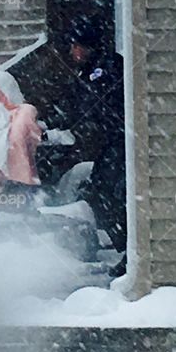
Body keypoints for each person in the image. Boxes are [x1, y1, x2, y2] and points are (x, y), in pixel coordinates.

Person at [57, 22, 127, 263]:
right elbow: (76, 107)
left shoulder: (107, 69)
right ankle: (123, 246)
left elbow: (93, 106)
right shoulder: (88, 71)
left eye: (75, 46)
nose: (72, 52)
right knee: (102, 189)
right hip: (110, 142)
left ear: (87, 47)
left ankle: (127, 249)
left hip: (122, 139)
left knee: (112, 192)